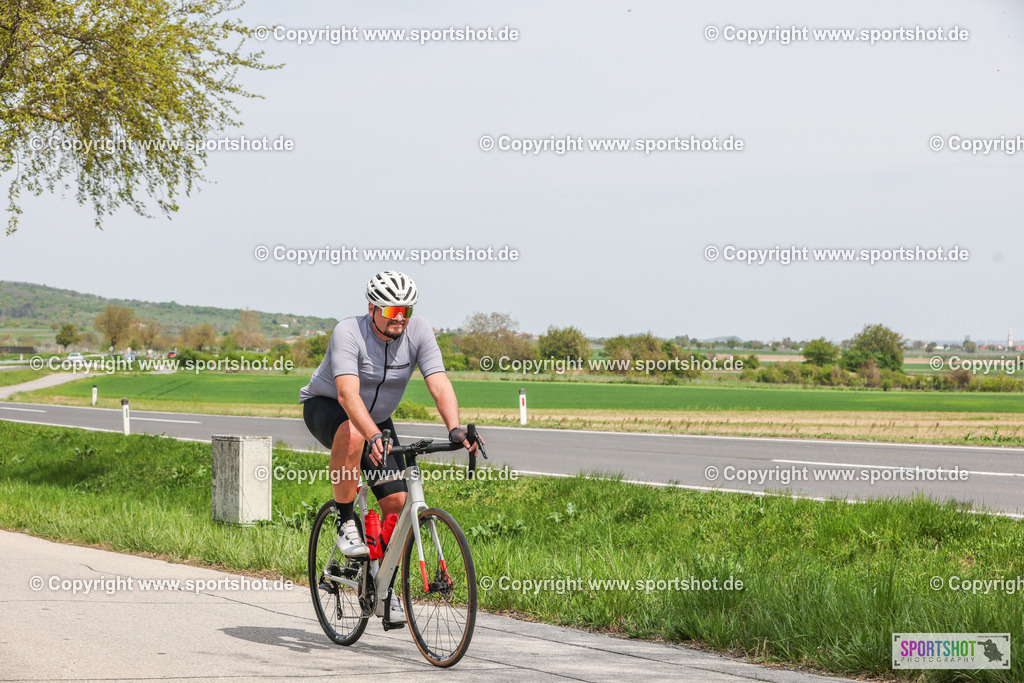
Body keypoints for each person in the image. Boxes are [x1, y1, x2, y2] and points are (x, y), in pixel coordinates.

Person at [299, 271, 483, 624]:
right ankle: (344, 519)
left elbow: (439, 382)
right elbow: (347, 395)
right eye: (393, 309)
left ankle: (384, 590)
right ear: (373, 307)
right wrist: (370, 435)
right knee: (353, 434)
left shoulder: (419, 332)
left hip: (376, 420)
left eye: (407, 310)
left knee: (398, 505)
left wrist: (455, 428)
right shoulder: (348, 332)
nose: (400, 316)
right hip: (329, 407)